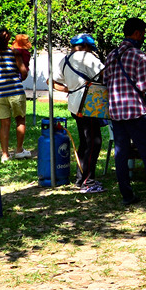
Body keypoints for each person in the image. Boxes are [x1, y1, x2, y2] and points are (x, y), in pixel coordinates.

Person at [103, 18, 146, 206]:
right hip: (135, 112)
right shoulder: (138, 56)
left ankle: (127, 195)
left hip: (116, 112)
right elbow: (144, 85)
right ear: (137, 33)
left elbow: (105, 80)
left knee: (121, 154)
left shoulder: (111, 55)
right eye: (143, 34)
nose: (143, 37)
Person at [54, 33, 107, 191]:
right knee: (94, 142)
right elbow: (105, 75)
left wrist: (71, 90)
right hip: (88, 104)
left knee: (85, 142)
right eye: (90, 48)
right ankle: (88, 182)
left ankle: (80, 179)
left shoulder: (64, 60)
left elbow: (52, 82)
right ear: (85, 47)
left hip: (74, 105)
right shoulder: (87, 57)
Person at [0, 28, 30, 162]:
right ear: (9, 39)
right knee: (20, 120)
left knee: (4, 125)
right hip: (15, 91)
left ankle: (5, 155)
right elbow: (24, 73)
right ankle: (19, 150)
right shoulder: (14, 53)